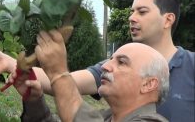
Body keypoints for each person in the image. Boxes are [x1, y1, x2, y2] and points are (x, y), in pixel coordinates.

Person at [0, 0, 195, 121]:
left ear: (168, 19)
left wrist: (59, 72)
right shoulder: (111, 75)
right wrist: (12, 64)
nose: (131, 17)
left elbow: (62, 81)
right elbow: (62, 84)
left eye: (142, 11)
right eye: (131, 11)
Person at [9, 34, 169, 122]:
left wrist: (58, 73)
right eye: (109, 59)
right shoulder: (104, 117)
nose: (105, 67)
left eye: (121, 62)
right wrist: (34, 100)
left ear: (148, 84)